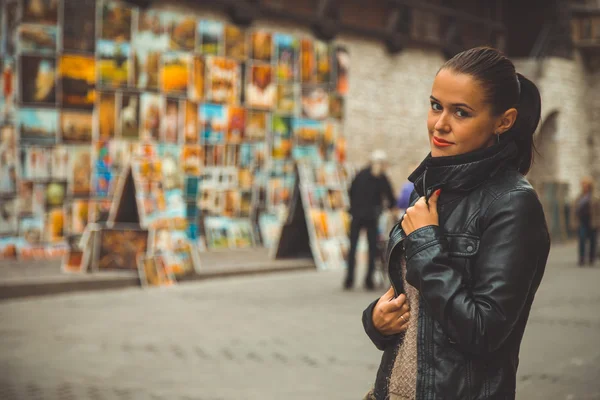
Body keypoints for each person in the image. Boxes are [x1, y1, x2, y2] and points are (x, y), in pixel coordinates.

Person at [362, 47, 550, 400]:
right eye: (436, 106)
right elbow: (419, 311)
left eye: (461, 112)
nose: (440, 124)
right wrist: (376, 321)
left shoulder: (512, 204)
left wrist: (425, 243)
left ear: (503, 121)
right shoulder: (431, 187)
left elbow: (484, 332)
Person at [346, 149, 396, 291]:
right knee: (370, 248)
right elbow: (391, 197)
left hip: (358, 215)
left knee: (356, 247)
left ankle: (351, 279)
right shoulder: (379, 177)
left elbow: (350, 190)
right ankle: (365, 280)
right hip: (369, 216)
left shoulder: (361, 174)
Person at [570, 176, 600, 266]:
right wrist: (573, 223)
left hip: (592, 222)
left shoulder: (595, 198)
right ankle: (582, 259)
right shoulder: (578, 199)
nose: (584, 187)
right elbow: (573, 212)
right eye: (583, 185)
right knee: (582, 240)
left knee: (593, 241)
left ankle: (591, 258)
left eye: (586, 185)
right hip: (582, 222)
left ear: (590, 186)